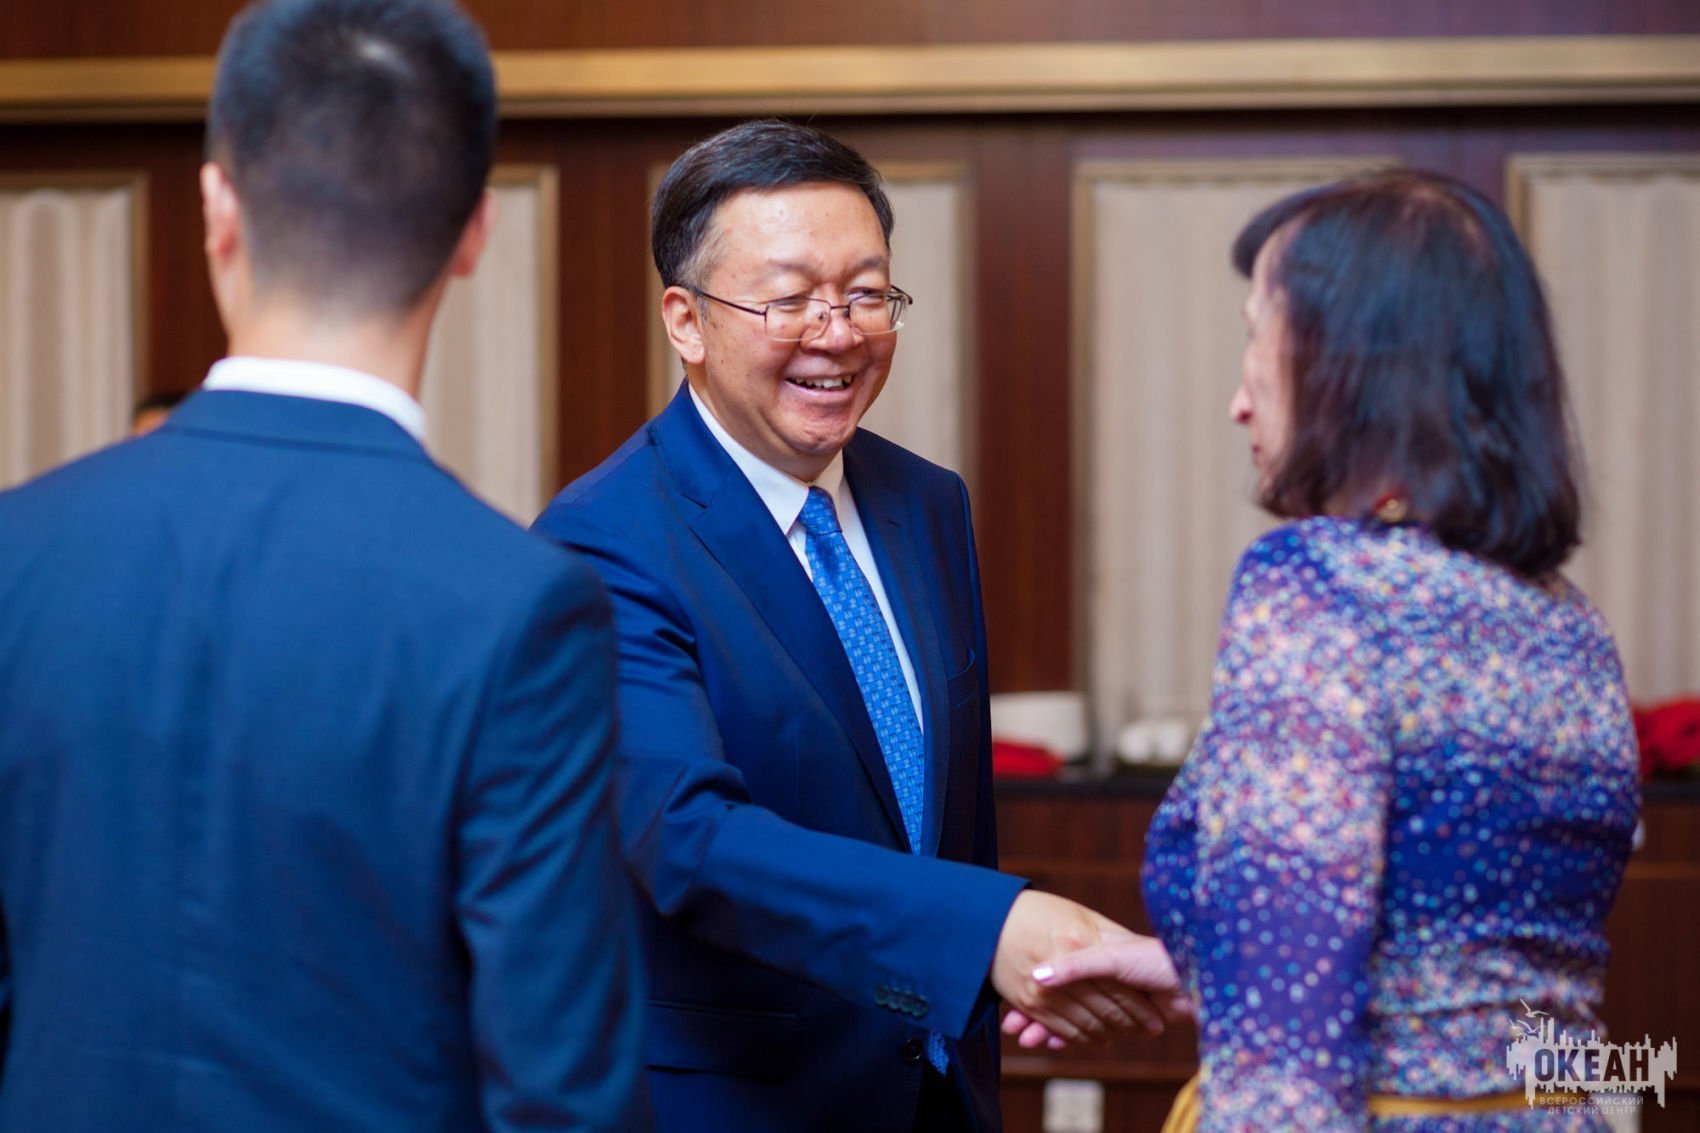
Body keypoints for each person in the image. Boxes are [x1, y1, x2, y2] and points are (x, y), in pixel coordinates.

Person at [0, 1, 647, 1129]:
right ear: (475, 232)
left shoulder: (21, 547)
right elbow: (561, 1093)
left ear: (216, 208)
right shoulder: (516, 605)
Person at [532, 119, 1178, 1133]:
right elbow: (688, 842)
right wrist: (984, 930)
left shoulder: (926, 501)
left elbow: (944, 817)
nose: (836, 333)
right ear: (686, 321)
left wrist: (981, 969)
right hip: (743, 1105)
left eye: (866, 294)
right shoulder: (603, 540)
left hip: (939, 1092)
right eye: (788, 298)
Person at [1015, 170, 1642, 1130]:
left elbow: (1289, 1065)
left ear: (1346, 363)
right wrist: (1209, 963)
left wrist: (1255, 982)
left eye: (1255, 337)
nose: (1238, 399)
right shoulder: (1568, 622)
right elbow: (1467, 960)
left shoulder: (1318, 588)